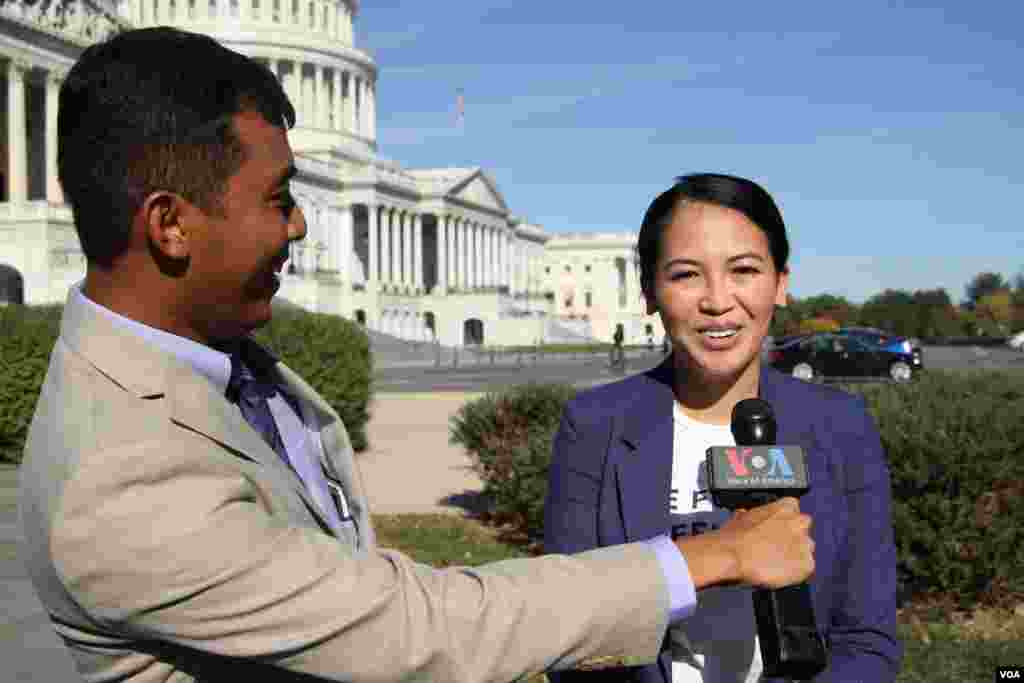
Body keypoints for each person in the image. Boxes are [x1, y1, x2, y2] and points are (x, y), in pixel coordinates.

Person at [17, 29, 816, 683]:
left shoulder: (214, 361)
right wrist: (707, 558)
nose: (298, 227)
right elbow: (409, 624)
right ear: (170, 224)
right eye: (278, 199)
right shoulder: (115, 478)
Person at [544, 173, 901, 682]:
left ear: (780, 284)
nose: (717, 301)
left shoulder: (841, 426)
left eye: (744, 270)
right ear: (649, 291)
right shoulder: (594, 427)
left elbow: (866, 640)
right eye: (687, 275)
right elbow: (574, 632)